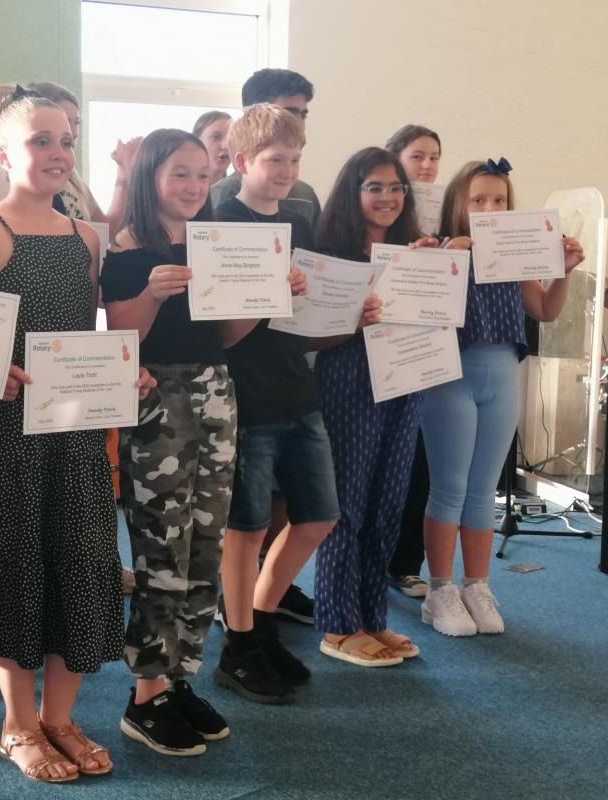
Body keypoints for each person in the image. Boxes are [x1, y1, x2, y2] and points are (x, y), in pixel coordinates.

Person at [0, 88, 153, 783]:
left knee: (77, 564)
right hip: (0, 436)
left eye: (66, 141)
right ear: (1, 153)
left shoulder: (88, 237)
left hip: (73, 433)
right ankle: (17, 723)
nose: (58, 153)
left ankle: (59, 717)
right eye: (40, 141)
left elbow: (95, 334)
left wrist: (126, 373)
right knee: (13, 568)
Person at [102, 128, 253, 754]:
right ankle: (145, 694)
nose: (193, 186)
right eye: (178, 174)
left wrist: (265, 295)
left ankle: (178, 676)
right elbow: (121, 334)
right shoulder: (126, 248)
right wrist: (151, 294)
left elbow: (227, 335)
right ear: (150, 178)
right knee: (161, 542)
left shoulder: (212, 244)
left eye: (201, 174)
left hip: (216, 390)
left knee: (206, 542)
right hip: (154, 397)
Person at [213, 104, 364, 703]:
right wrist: (269, 290)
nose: (287, 171)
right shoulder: (220, 221)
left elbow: (305, 325)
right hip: (246, 394)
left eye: (295, 160)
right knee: (246, 528)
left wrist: (350, 318)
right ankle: (238, 646)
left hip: (298, 390)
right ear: (241, 160)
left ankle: (260, 622)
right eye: (276, 159)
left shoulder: (299, 223)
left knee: (319, 515)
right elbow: (223, 330)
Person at [420, 158, 583, 637]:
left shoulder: (514, 255)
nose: (490, 209)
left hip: (503, 375)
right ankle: (440, 588)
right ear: (459, 205)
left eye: (499, 201)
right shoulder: (441, 250)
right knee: (448, 487)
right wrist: (450, 255)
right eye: (478, 201)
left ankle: (477, 583)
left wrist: (565, 271)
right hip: (451, 376)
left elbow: (545, 310)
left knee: (482, 489)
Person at [311, 147, 428, 668]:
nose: (388, 197)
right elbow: (306, 335)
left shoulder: (414, 254)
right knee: (349, 503)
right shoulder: (331, 257)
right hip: (350, 378)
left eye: (396, 187)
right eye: (374, 187)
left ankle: (372, 615)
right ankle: (339, 625)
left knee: (388, 501)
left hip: (406, 377)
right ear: (352, 192)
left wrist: (439, 265)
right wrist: (351, 323)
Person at [383, 123, 443, 599]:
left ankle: (405, 564)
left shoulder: (448, 216)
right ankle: (369, 561)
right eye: (417, 156)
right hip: (380, 351)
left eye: (434, 157)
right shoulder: (380, 213)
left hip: (429, 352)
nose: (426, 166)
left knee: (421, 464)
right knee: (378, 465)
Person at [210, 69, 320, 229]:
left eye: (303, 115)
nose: (297, 123)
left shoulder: (305, 198)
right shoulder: (219, 201)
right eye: (288, 113)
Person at [24, 81, 137, 232]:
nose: (74, 131)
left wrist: (123, 171)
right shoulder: (26, 177)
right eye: (65, 120)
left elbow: (106, 230)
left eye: (76, 122)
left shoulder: (74, 179)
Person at [192, 110, 230, 183]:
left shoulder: (243, 187)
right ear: (196, 142)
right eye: (216, 137)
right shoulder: (182, 188)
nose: (225, 146)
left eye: (231, 138)